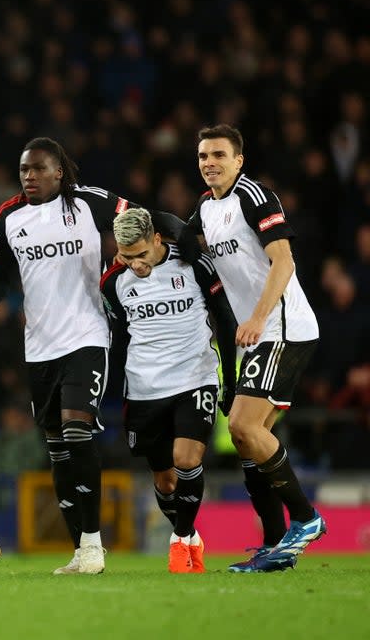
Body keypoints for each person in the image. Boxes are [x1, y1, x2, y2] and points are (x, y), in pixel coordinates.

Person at [0, 136, 180, 575]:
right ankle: (80, 548)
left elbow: (143, 219)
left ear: (59, 171)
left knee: (78, 433)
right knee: (57, 448)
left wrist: (187, 239)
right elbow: (2, 277)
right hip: (40, 347)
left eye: (38, 169)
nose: (29, 176)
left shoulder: (89, 203)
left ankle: (96, 545)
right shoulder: (9, 216)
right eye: (24, 169)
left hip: (88, 336)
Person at [182, 124, 324, 572]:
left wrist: (260, 317)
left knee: (244, 426)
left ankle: (306, 518)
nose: (210, 163)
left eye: (219, 155)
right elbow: (180, 243)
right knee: (248, 442)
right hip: (256, 336)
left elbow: (283, 260)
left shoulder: (253, 195)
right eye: (204, 156)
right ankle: (275, 543)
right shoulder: (206, 208)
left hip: (283, 326)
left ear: (238, 160)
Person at [101, 207, 238, 573]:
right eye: (126, 257)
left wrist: (231, 379)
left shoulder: (193, 265)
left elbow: (224, 317)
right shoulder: (113, 281)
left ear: (158, 239)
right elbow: (119, 337)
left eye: (142, 255)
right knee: (164, 479)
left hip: (195, 377)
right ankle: (191, 537)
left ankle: (178, 539)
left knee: (188, 459)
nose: (136, 265)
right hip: (145, 388)